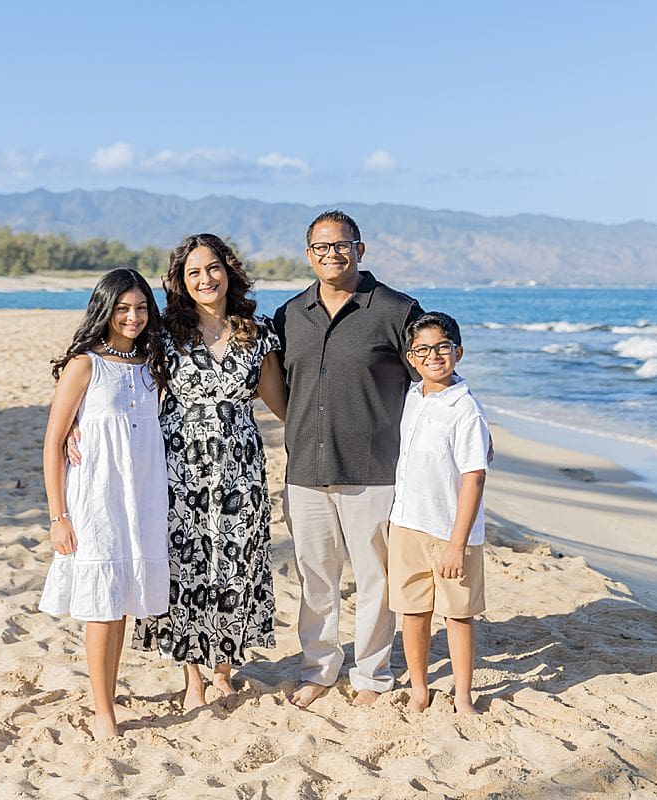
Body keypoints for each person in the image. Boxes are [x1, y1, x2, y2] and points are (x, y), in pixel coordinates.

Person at [273, 209, 422, 708]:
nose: (331, 254)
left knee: (375, 579)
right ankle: (318, 669)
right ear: (308, 254)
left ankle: (374, 674)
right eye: (321, 247)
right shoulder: (291, 314)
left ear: (360, 249)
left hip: (374, 469)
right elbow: (283, 388)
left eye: (342, 245)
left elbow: (430, 381)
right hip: (306, 472)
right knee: (315, 578)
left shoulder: (396, 310)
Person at [133, 233, 287, 710]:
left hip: (241, 471)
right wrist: (77, 429)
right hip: (178, 470)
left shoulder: (258, 333)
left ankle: (223, 668)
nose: (205, 278)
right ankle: (193, 679)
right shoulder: (161, 334)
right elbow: (119, 383)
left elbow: (284, 405)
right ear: (181, 281)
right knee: (186, 569)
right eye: (193, 271)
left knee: (235, 566)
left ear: (228, 270)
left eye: (213, 268)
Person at [37, 268, 170, 740]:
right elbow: (53, 441)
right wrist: (59, 517)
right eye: (122, 308)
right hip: (95, 497)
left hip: (143, 497)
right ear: (105, 309)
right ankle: (102, 712)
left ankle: (108, 697)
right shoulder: (85, 364)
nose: (132, 317)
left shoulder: (153, 362)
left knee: (122, 603)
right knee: (102, 605)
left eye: (140, 308)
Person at [387, 312, 490, 716]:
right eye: (423, 349)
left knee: (458, 615)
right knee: (413, 611)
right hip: (407, 523)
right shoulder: (414, 397)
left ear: (458, 352)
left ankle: (462, 695)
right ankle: (419, 688)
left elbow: (474, 478)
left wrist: (456, 544)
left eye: (443, 347)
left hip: (451, 533)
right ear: (412, 357)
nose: (434, 356)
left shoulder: (466, 411)